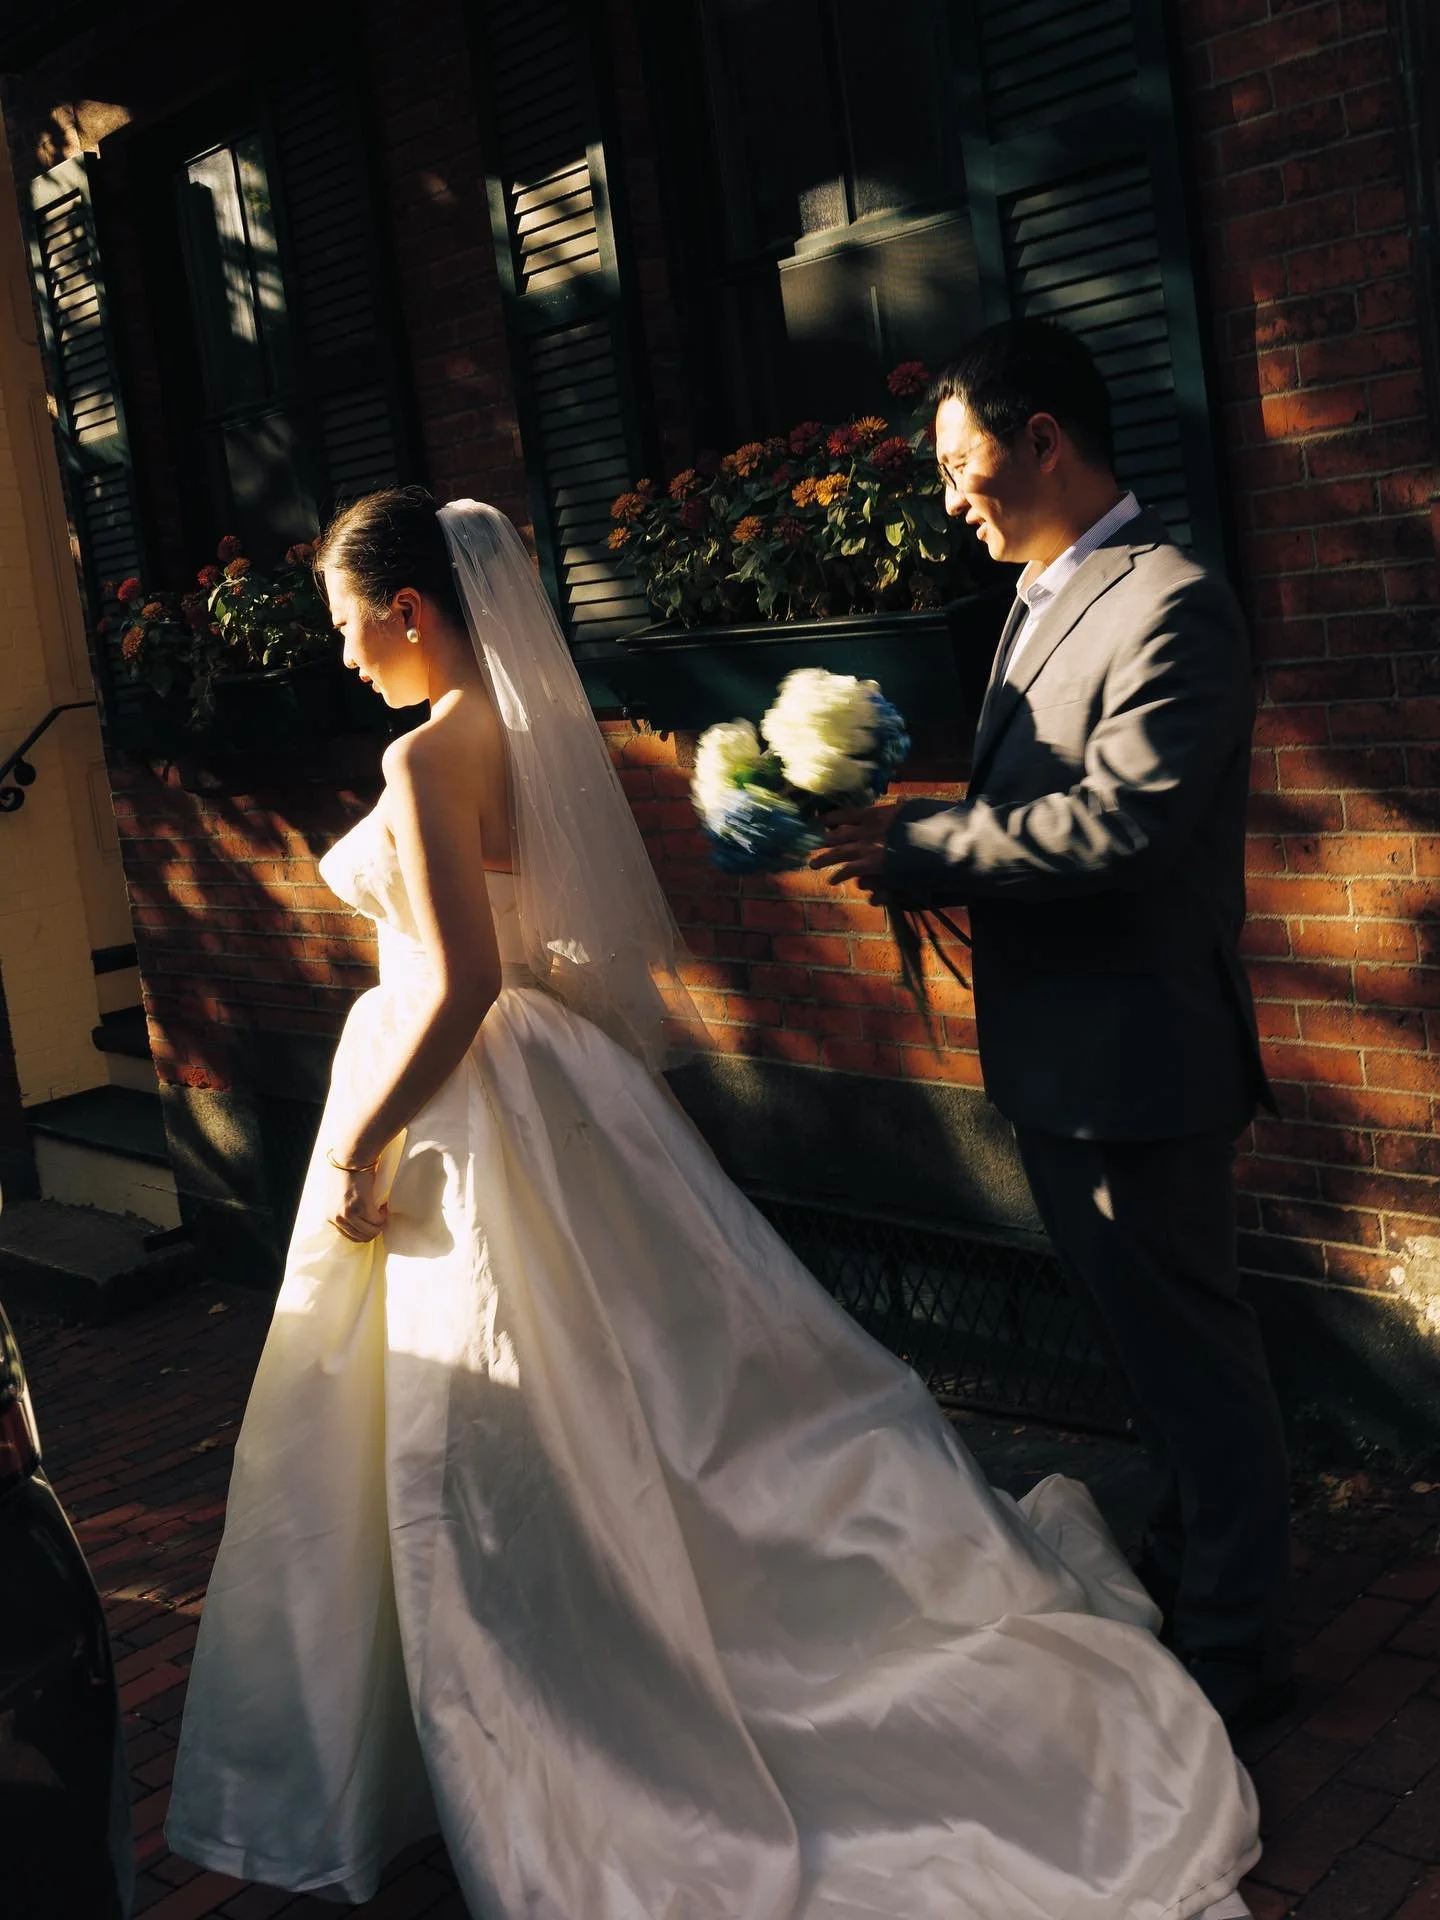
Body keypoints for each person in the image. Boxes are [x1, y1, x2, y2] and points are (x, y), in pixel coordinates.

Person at [166, 487, 1262, 1920]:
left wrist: (361, 1144)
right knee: (624, 1388)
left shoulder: (429, 752)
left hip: (468, 1092)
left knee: (502, 1413)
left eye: (344, 623)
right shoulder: (521, 733)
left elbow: (463, 978)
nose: (343, 653)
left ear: (408, 610)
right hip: (555, 1082)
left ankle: (549, 1684)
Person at [813, 319, 1293, 1736]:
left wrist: (923, 848)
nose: (948, 500)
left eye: (961, 467)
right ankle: (1190, 1576)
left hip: (1144, 1066)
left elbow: (1123, 824)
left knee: (1198, 1369)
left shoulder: (1172, 601)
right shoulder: (1035, 597)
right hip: (1059, 1062)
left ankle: (1239, 1653)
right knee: (1152, 1365)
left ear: (1044, 440)